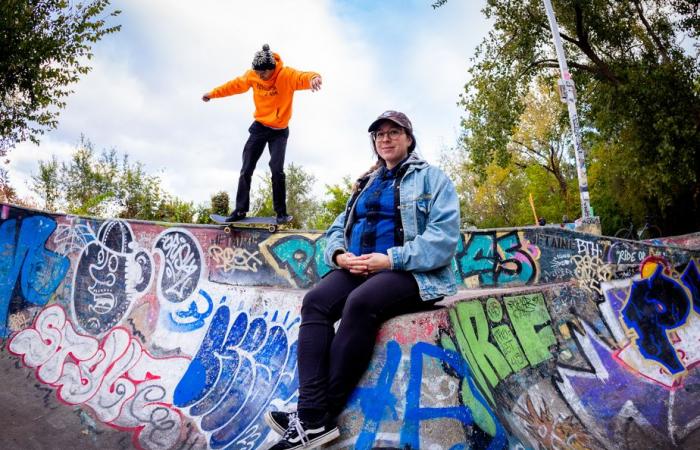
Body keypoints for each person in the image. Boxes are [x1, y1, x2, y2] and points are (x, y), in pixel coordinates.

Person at [264, 110, 460, 449]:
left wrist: (391, 258)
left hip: (409, 271)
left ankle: (313, 419)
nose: (385, 138)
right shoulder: (366, 184)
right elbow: (337, 229)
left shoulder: (433, 179)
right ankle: (311, 414)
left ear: (409, 138)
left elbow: (443, 238)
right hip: (359, 268)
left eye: (393, 132)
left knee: (361, 303)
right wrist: (340, 255)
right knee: (315, 302)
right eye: (379, 134)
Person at [202, 44, 322, 224]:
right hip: (259, 127)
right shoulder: (252, 75)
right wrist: (212, 94)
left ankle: (281, 213)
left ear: (272, 69)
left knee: (277, 169)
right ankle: (240, 210)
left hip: (279, 132)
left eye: (263, 74)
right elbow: (233, 86)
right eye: (256, 73)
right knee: (246, 168)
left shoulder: (286, 75)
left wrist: (314, 78)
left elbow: (303, 76)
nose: (259, 77)